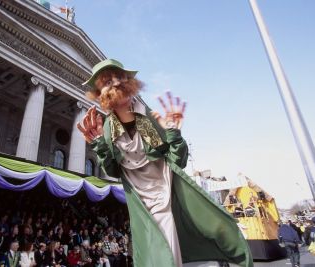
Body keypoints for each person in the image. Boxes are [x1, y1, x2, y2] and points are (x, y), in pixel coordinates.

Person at [77, 59, 252, 267]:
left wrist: (173, 133)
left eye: (117, 77)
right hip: (141, 204)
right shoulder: (107, 129)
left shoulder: (148, 117)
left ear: (128, 82)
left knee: (180, 249)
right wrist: (99, 144)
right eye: (105, 82)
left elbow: (177, 160)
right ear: (100, 94)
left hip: (166, 195)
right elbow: (113, 170)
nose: (114, 84)